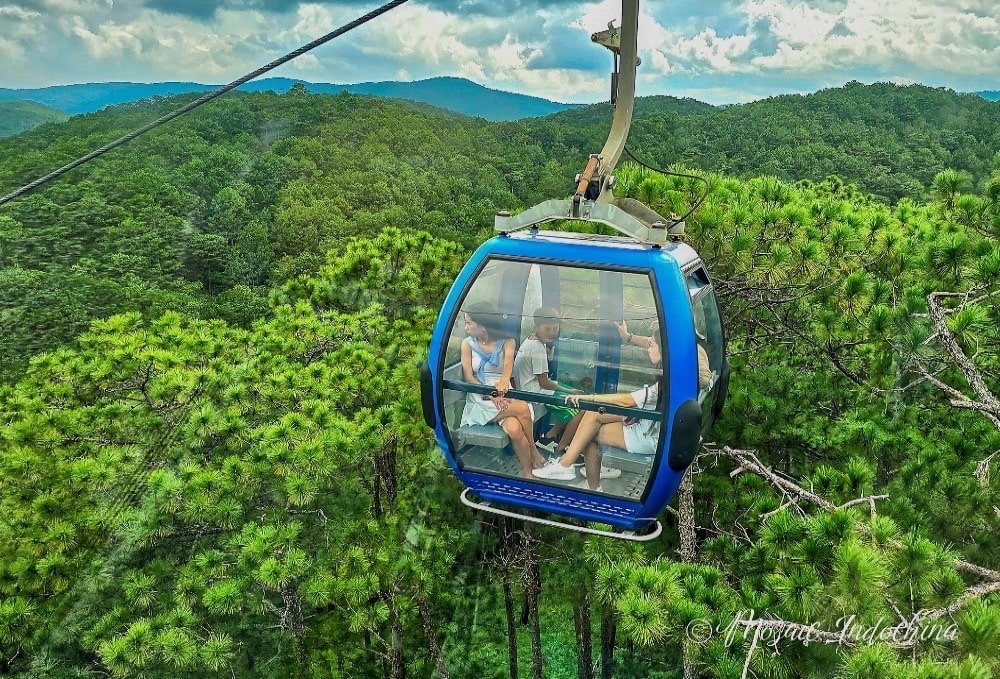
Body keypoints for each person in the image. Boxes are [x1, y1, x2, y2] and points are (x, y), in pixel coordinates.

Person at [533, 330, 665, 491]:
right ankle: (584, 478)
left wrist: (591, 398)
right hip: (643, 422)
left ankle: (570, 468)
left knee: (590, 433)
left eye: (651, 345)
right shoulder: (669, 374)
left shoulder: (664, 383)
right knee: (592, 417)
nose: (648, 349)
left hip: (647, 437)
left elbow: (627, 400)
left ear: (663, 350)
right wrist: (627, 336)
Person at [460, 302, 545, 478]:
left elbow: (507, 366)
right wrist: (490, 393)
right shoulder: (467, 344)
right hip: (480, 394)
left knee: (514, 429)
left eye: (469, 323)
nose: (466, 327)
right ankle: (533, 449)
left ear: (482, 324)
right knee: (521, 408)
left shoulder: (507, 342)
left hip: (503, 391)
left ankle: (528, 473)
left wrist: (503, 384)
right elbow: (469, 376)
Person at [513, 306, 581, 449]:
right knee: (578, 407)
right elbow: (544, 383)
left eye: (555, 329)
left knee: (577, 397)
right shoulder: (537, 347)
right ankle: (560, 448)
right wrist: (569, 392)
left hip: (529, 388)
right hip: (535, 393)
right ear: (537, 326)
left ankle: (548, 439)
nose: (552, 333)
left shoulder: (532, 340)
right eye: (547, 329)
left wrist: (547, 357)